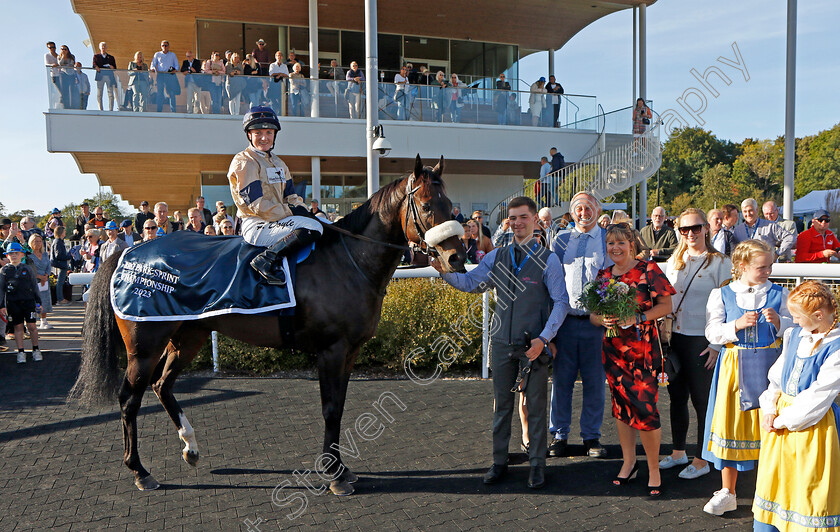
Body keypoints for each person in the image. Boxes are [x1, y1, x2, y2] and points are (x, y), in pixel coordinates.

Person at [433, 196, 569, 489]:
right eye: (513, 218)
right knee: (501, 407)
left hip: (533, 347)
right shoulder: (496, 257)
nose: (517, 223)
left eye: (523, 217)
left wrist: (544, 339)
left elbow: (561, 303)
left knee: (535, 407)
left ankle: (537, 465)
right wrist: (442, 270)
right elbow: (471, 284)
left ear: (535, 220)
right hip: (502, 344)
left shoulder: (549, 260)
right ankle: (499, 462)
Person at [702, 239, 792, 516]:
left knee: (771, 426)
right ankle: (728, 491)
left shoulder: (780, 293)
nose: (768, 271)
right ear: (742, 266)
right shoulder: (723, 294)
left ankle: (770, 492)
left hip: (770, 365)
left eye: (769, 266)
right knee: (731, 426)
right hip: (733, 366)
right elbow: (711, 332)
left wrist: (779, 322)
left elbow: (795, 328)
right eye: (761, 267)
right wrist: (736, 325)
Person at [590, 223, 675, 497]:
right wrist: (602, 319)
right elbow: (592, 314)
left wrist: (637, 317)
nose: (615, 248)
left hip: (643, 352)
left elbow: (665, 306)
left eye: (620, 243)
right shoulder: (604, 275)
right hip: (614, 351)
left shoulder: (648, 270)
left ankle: (653, 468)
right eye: (610, 243)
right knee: (621, 408)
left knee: (646, 410)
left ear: (632, 245)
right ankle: (628, 462)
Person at [752, 280, 840, 531]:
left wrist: (782, 420)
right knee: (776, 486)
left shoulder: (836, 346)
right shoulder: (795, 336)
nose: (794, 321)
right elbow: (777, 378)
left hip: (811, 429)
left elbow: (819, 395)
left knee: (807, 490)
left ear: (819, 315)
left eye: (797, 316)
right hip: (780, 423)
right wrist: (769, 408)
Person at [661, 208, 732, 480]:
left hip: (703, 340)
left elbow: (727, 306)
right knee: (676, 397)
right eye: (684, 229)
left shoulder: (719, 262)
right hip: (676, 338)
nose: (690, 234)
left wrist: (717, 344)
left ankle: (702, 459)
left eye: (696, 228)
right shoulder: (674, 261)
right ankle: (679, 451)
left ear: (706, 229)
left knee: (702, 401)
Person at [548, 192, 613, 459]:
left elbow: (613, 279)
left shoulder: (606, 240)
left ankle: (591, 437)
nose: (583, 212)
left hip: (594, 324)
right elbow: (551, 281)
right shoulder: (560, 240)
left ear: (597, 209)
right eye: (578, 208)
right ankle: (559, 435)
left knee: (594, 382)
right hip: (565, 323)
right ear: (572, 212)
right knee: (561, 382)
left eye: (588, 207)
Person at [229, 106, 322, 285]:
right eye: (258, 133)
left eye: (269, 132)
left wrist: (301, 209)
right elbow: (256, 205)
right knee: (313, 227)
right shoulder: (244, 161)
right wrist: (291, 212)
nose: (264, 138)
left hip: (278, 221)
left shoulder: (279, 162)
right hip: (256, 224)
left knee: (323, 223)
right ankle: (266, 259)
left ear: (274, 134)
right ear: (249, 135)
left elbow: (292, 197)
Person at [0, 243, 42, 364]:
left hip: (28, 302)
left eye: (16, 253)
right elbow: (1, 289)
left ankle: (36, 349)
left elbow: (34, 286)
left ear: (22, 254)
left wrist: (38, 301)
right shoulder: (4, 270)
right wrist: (1, 305)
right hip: (13, 303)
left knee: (32, 326)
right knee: (18, 328)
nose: (14, 256)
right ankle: (21, 351)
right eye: (11, 254)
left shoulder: (27, 268)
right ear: (7, 255)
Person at [27, 234, 53, 330]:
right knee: (35, 301)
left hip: (45, 280)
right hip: (34, 280)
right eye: (35, 241)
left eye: (39, 241)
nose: (38, 243)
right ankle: (33, 322)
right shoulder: (29, 256)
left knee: (45, 300)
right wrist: (40, 277)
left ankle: (44, 321)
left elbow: (48, 266)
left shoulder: (45, 254)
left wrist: (46, 276)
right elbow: (30, 269)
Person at [151, 40, 179, 113]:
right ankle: (159, 111)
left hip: (169, 75)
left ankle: (173, 111)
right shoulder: (157, 54)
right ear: (161, 46)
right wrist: (153, 69)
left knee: (171, 93)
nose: (164, 47)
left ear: (168, 46)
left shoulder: (173, 55)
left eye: (166, 45)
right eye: (163, 45)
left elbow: (177, 66)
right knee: (160, 93)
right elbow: (153, 64)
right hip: (160, 75)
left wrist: (174, 70)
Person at [92, 42, 118, 111]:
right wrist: (96, 67)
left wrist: (112, 67)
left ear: (106, 48)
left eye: (104, 46)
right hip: (100, 76)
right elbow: (94, 64)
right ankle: (100, 109)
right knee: (99, 93)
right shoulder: (96, 56)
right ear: (100, 47)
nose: (103, 48)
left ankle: (111, 109)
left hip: (109, 76)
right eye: (102, 46)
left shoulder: (111, 57)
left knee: (110, 93)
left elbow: (115, 67)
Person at [51, 226, 72, 305]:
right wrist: (69, 256)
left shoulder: (58, 241)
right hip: (60, 264)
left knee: (60, 282)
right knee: (60, 282)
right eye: (64, 231)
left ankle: (60, 298)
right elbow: (58, 255)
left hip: (59, 263)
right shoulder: (58, 242)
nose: (65, 233)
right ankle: (60, 299)